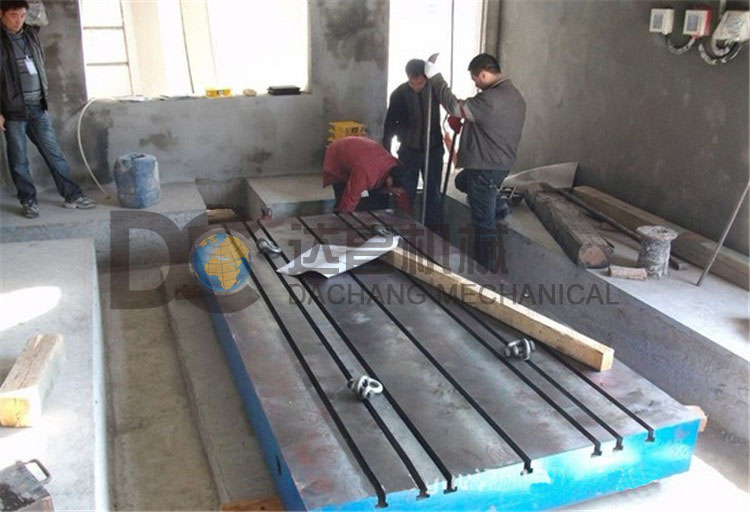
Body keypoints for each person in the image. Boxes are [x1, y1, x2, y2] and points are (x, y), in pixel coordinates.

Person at [424, 53, 526, 271]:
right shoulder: (514, 95)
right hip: (500, 163)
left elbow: (453, 106)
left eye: (475, 79)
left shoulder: (490, 99)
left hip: (486, 168)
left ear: (484, 74)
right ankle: (499, 205)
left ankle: (484, 271)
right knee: (462, 181)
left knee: (483, 223)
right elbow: (488, 121)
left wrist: (435, 77)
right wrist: (468, 123)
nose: (476, 85)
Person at [1, 0, 95, 218]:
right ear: (1, 14)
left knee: (54, 154)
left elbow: (40, 16)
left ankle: (72, 195)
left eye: (22, 15)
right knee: (19, 160)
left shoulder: (31, 34)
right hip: (13, 111)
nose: (18, 21)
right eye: (13, 15)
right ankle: (28, 201)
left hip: (37, 107)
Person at [383, 58, 444, 230]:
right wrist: (386, 155)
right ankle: (405, 231)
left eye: (420, 83)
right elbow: (389, 126)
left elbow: (451, 104)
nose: (416, 87)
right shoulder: (399, 94)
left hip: (434, 150)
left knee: (433, 193)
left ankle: (433, 233)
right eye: (412, 83)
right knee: (405, 193)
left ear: (426, 78)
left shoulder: (434, 90)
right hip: (408, 151)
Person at [323, 136, 411, 214]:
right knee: (342, 199)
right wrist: (344, 220)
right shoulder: (366, 173)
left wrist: (406, 218)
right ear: (390, 180)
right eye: (396, 191)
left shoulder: (396, 168)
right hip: (338, 155)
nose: (398, 194)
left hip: (363, 153)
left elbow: (402, 199)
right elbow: (350, 198)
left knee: (379, 201)